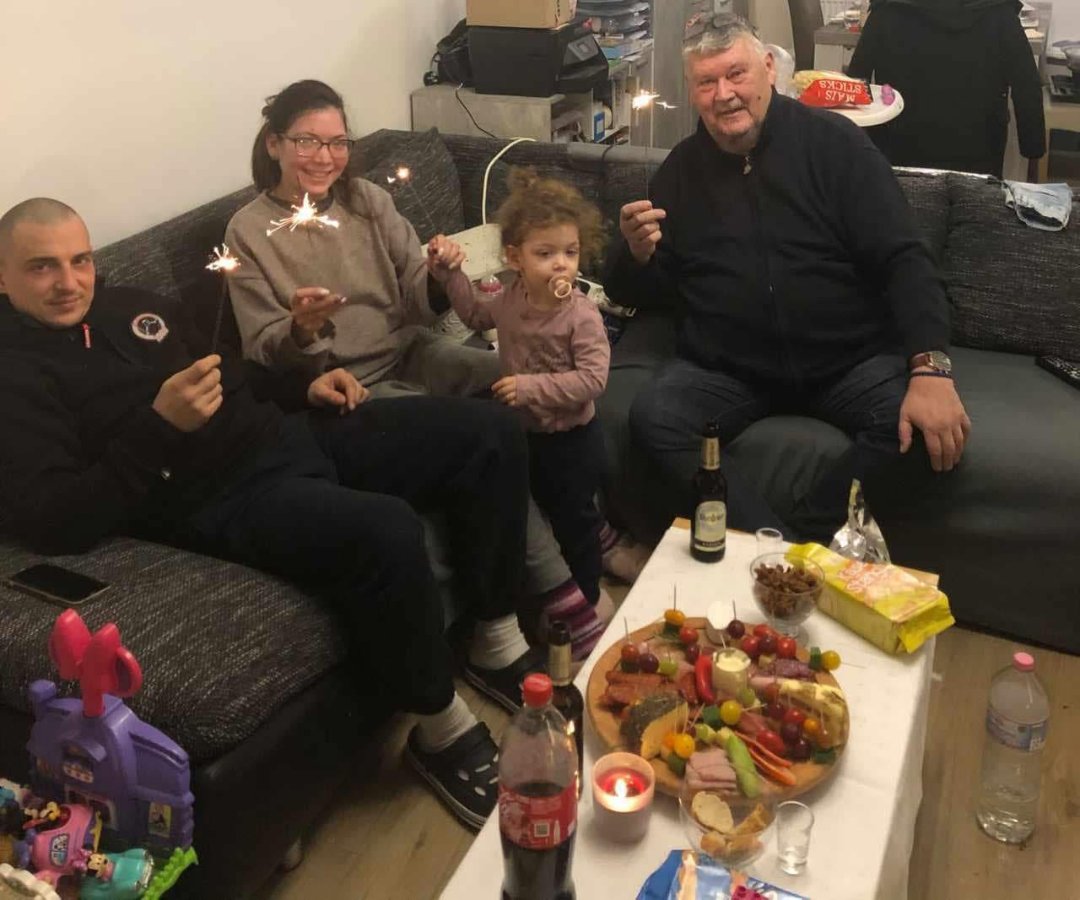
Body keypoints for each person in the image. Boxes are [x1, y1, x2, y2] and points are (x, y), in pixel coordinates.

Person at [0, 197, 546, 831]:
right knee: (386, 529)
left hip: (290, 433)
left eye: (81, 260)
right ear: (3, 276)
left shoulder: (131, 304)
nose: (70, 282)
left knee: (489, 431)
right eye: (42, 267)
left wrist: (301, 386)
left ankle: (496, 638)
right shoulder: (14, 374)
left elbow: (230, 372)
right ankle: (440, 730)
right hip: (216, 498)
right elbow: (58, 520)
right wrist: (158, 427)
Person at [225, 80, 646, 613]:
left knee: (521, 376)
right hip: (352, 387)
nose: (325, 158)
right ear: (274, 144)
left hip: (414, 350)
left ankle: (584, 523)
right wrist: (302, 331)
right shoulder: (247, 232)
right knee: (490, 428)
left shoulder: (367, 200)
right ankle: (558, 588)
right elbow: (261, 347)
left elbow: (415, 295)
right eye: (307, 141)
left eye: (337, 143)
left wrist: (440, 273)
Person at [604, 16, 972, 544]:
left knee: (923, 431)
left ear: (769, 69)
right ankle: (777, 551)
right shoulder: (679, 172)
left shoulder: (835, 144)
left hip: (848, 360)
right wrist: (635, 255)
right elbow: (639, 293)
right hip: (728, 368)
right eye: (707, 82)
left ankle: (791, 547)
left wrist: (930, 367)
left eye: (736, 74)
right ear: (692, 91)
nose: (724, 94)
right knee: (655, 418)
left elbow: (905, 258)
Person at [439, 170, 611, 660]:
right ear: (514, 258)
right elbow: (475, 315)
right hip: (526, 436)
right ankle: (543, 598)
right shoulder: (511, 299)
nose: (561, 264)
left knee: (574, 524)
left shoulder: (581, 314)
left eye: (570, 252)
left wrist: (530, 387)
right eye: (545, 253)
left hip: (572, 441)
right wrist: (450, 276)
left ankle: (585, 604)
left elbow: (593, 380)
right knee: (534, 515)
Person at [848, 0, 1045, 178]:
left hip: (898, 147)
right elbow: (1027, 83)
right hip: (979, 149)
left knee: (901, 205)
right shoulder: (999, 12)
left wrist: (850, 149)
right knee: (975, 205)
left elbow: (854, 81)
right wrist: (1033, 148)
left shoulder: (887, 9)